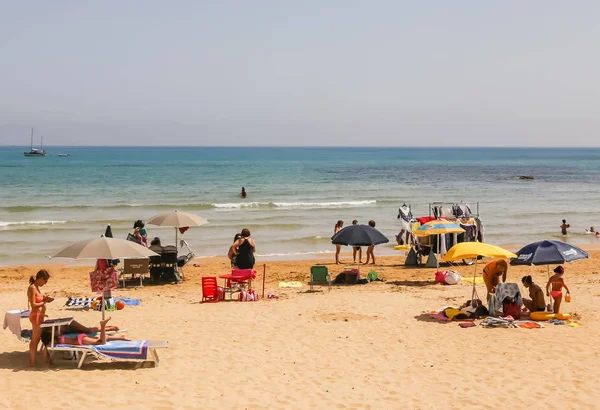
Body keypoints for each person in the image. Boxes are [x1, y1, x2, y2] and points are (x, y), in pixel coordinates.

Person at [41, 317, 127, 353]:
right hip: (80, 339)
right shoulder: (59, 337)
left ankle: (103, 326)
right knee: (99, 339)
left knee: (101, 342)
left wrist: (49, 362)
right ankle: (119, 337)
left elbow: (46, 351)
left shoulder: (56, 340)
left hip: (81, 340)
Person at [27, 269, 53, 366]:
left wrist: (45, 299)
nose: (45, 283)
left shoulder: (37, 288)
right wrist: (45, 301)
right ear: (41, 278)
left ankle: (38, 359)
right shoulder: (32, 288)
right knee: (35, 339)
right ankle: (32, 361)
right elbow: (33, 304)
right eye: (45, 281)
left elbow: (38, 302)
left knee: (40, 337)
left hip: (39, 316)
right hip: (36, 316)